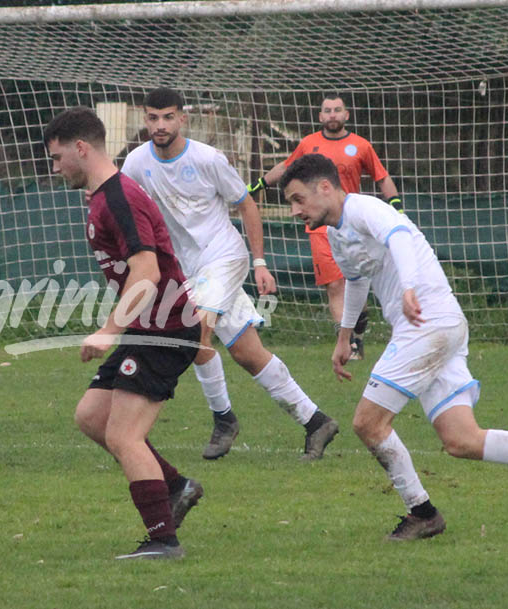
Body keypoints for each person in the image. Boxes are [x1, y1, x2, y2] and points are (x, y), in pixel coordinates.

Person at [280, 153, 508, 540]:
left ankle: (422, 513)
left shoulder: (363, 208)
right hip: (440, 325)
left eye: (298, 199)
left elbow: (399, 235)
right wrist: (345, 337)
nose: (295, 211)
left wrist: (409, 288)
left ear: (325, 187)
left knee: (367, 423)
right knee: (461, 439)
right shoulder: (335, 233)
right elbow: (357, 280)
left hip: (425, 324)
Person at [121, 87, 338, 461]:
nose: (160, 125)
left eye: (168, 117)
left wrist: (259, 262)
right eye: (153, 118)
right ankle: (315, 421)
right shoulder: (137, 162)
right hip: (187, 268)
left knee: (195, 332)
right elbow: (124, 202)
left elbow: (246, 205)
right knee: (247, 352)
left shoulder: (208, 159)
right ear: (145, 119)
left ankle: (223, 419)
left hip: (224, 256)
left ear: (182, 118)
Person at [44, 106, 204, 560]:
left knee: (124, 436)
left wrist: (108, 330)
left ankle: (163, 540)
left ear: (81, 148)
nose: (55, 168)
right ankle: (176, 487)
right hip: (147, 326)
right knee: (92, 417)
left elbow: (147, 272)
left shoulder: (120, 198)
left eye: (57, 158)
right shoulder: (103, 196)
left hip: (167, 328)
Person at [256, 93, 402, 360]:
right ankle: (349, 343)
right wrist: (259, 184)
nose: (332, 114)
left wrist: (397, 207)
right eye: (327, 110)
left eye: (337, 110)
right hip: (319, 229)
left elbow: (382, 177)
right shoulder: (308, 144)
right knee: (334, 285)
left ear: (346, 115)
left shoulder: (360, 145)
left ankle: (358, 326)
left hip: (351, 225)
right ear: (320, 116)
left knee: (355, 282)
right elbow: (287, 167)